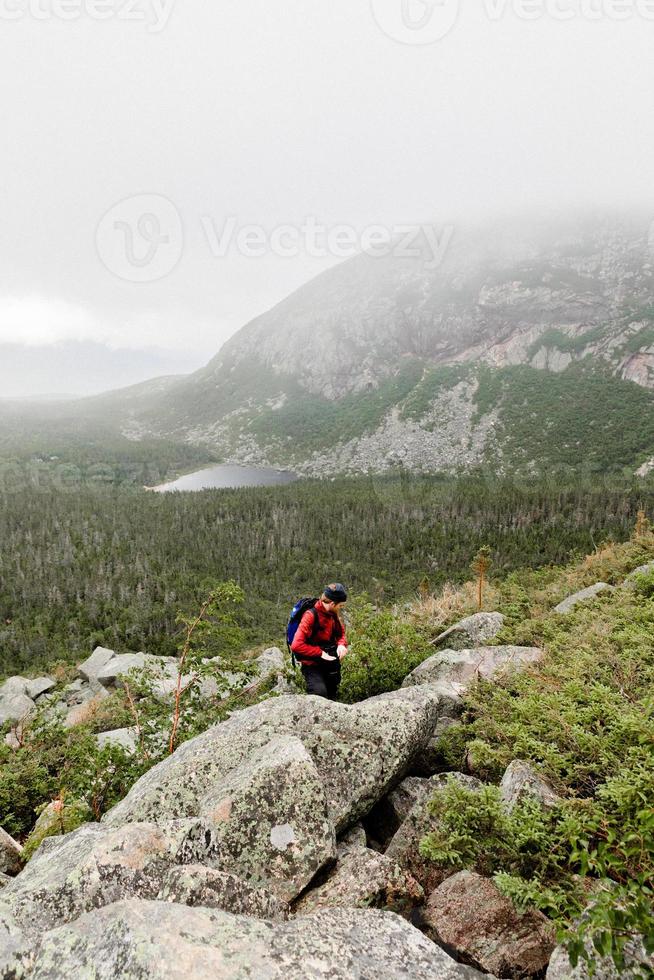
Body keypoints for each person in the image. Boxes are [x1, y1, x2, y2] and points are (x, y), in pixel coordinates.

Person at [290, 583, 348, 700]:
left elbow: (340, 634)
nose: (341, 608)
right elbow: (296, 645)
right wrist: (320, 653)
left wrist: (341, 645)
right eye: (340, 605)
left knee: (332, 695)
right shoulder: (310, 616)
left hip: (330, 663)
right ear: (332, 603)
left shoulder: (333, 614)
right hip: (312, 665)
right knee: (319, 694)